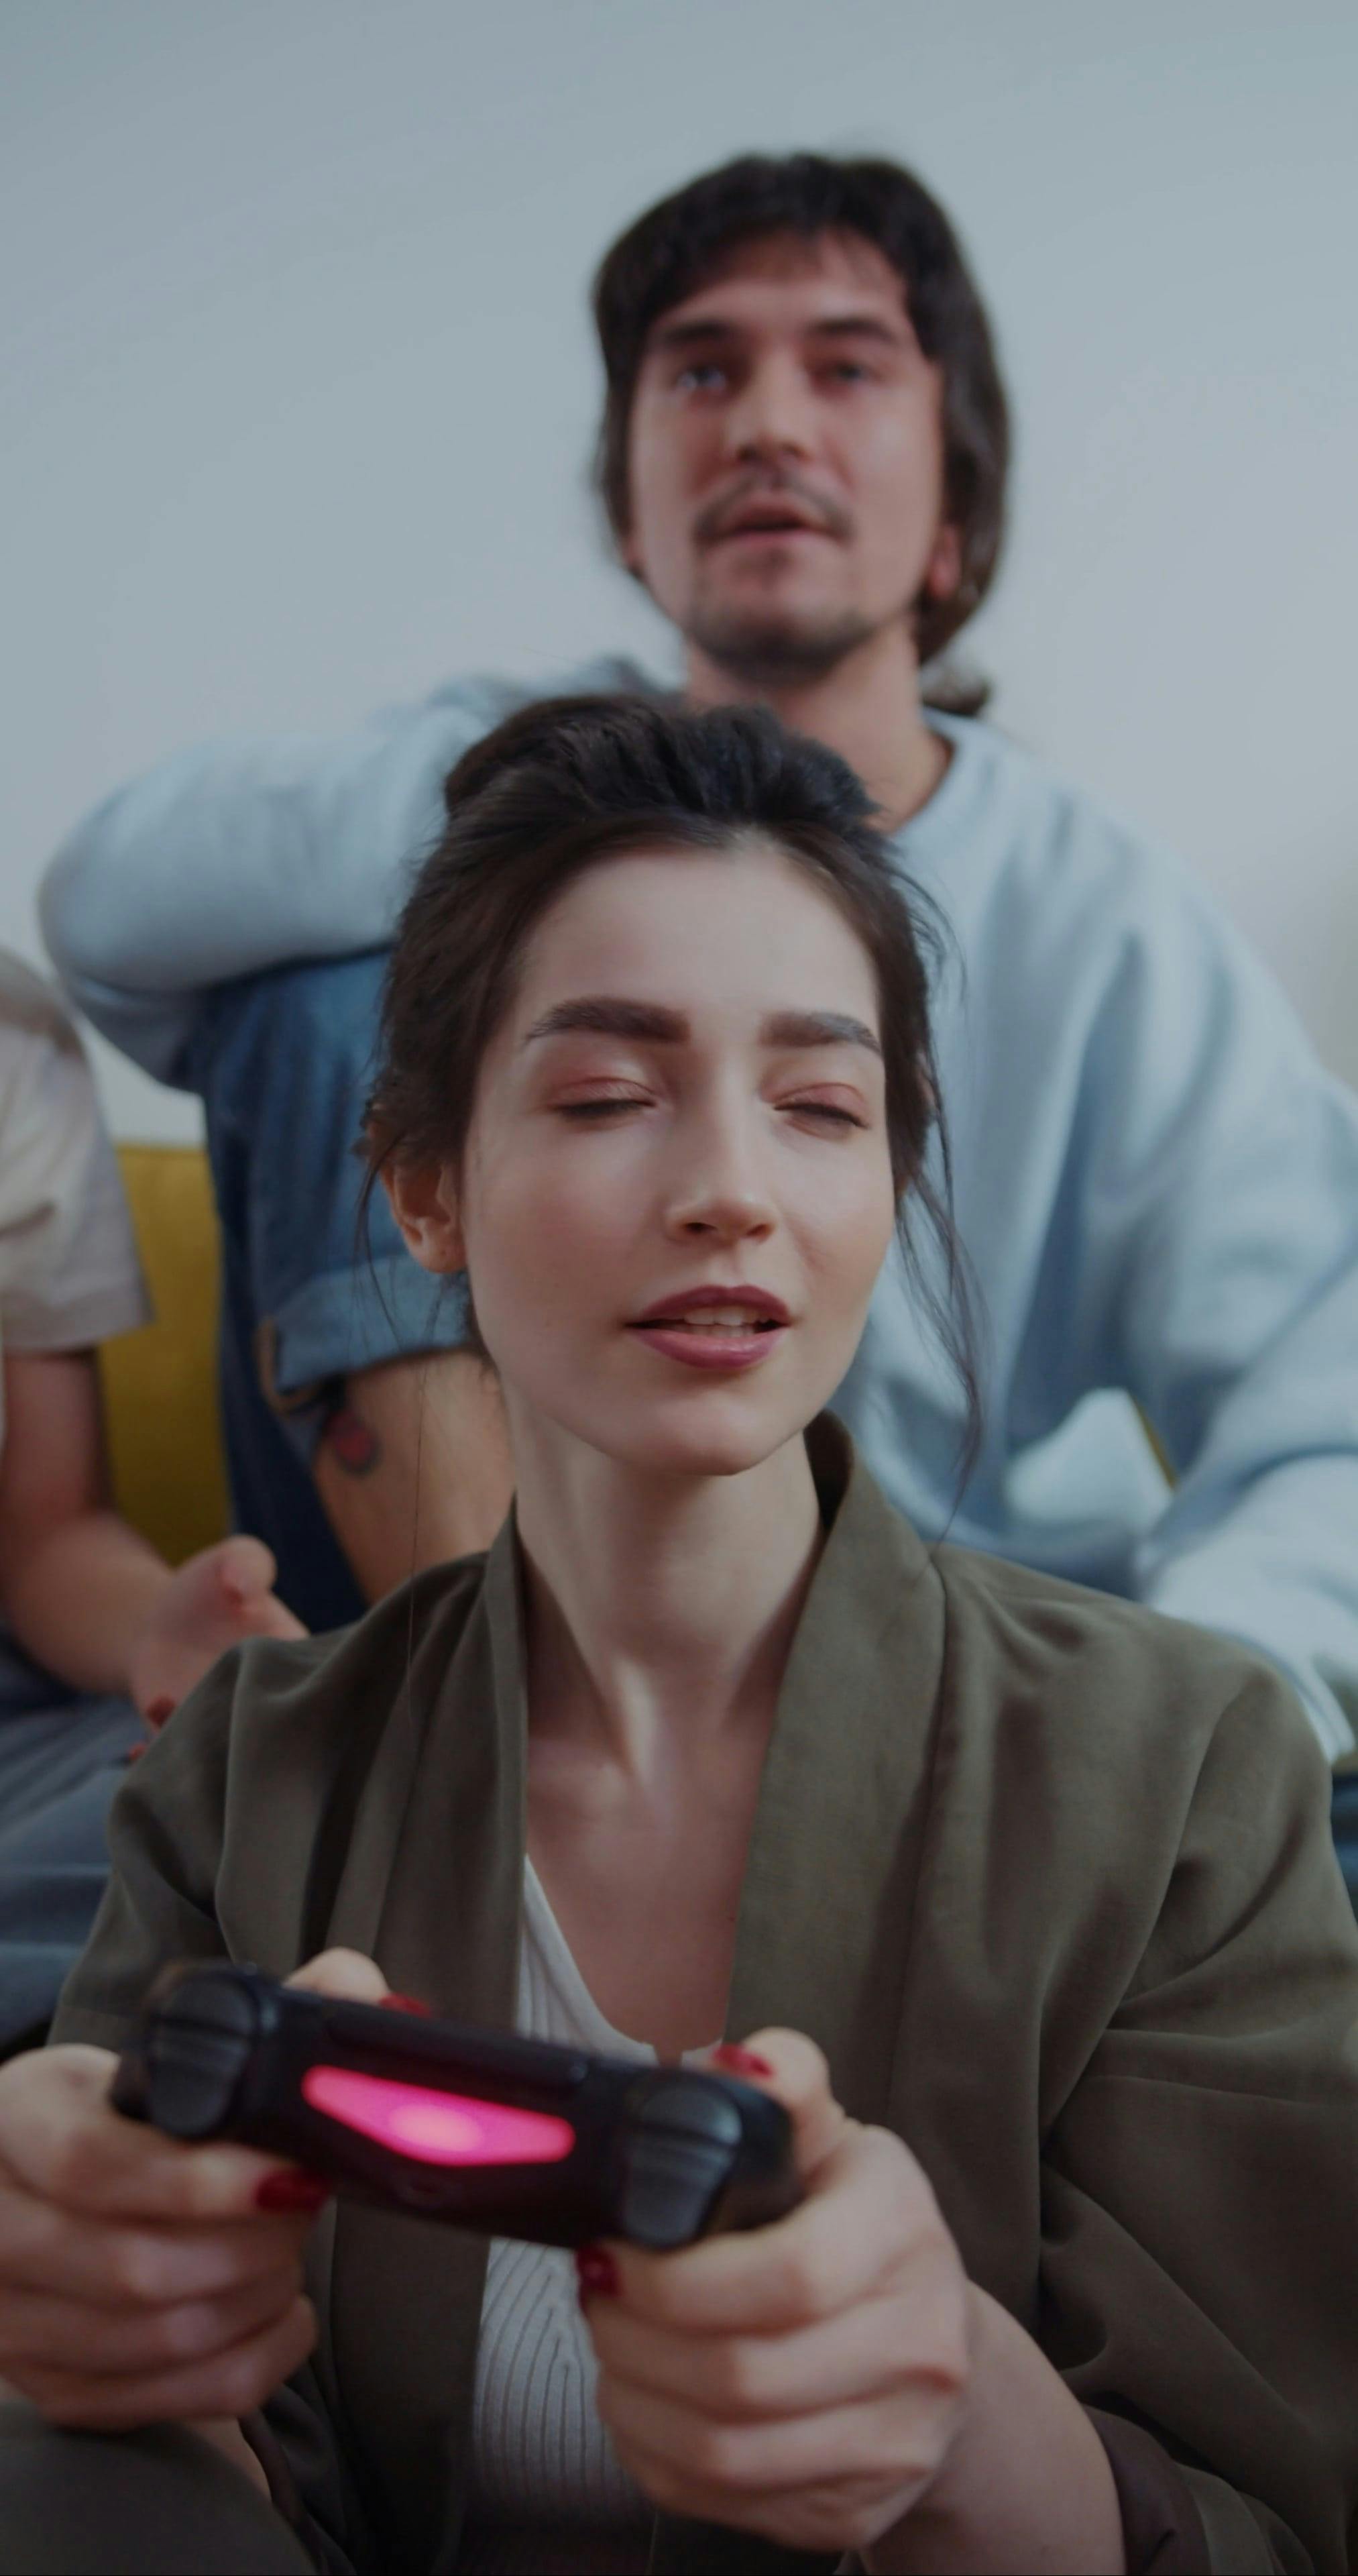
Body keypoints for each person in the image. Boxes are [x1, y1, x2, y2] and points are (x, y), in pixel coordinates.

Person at [2, 700, 1355, 2576]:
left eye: (819, 1107)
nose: (730, 1188)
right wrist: (123, 2348)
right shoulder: (249, 1769)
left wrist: (962, 2416)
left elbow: (1276, 2516)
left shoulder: (1189, 1767)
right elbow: (192, 2472)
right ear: (423, 1189)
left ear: (893, 1177)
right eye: (604, 1096)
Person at [40, 154, 1358, 1780]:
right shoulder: (467, 781)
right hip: (425, 1622)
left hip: (947, 1692)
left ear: (952, 517)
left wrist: (1171, 1738)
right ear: (628, 510)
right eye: (703, 373)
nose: (767, 427)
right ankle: (505, 1762)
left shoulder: (1106, 924)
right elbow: (113, 900)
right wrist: (551, 800)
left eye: (846, 368)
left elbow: (1325, 1387)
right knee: (327, 993)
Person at [0, 951, 304, 2051]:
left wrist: (165, 1639)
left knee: (212, 1811)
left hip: (21, 1730)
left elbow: (50, 1535)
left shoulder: (15, 1036)